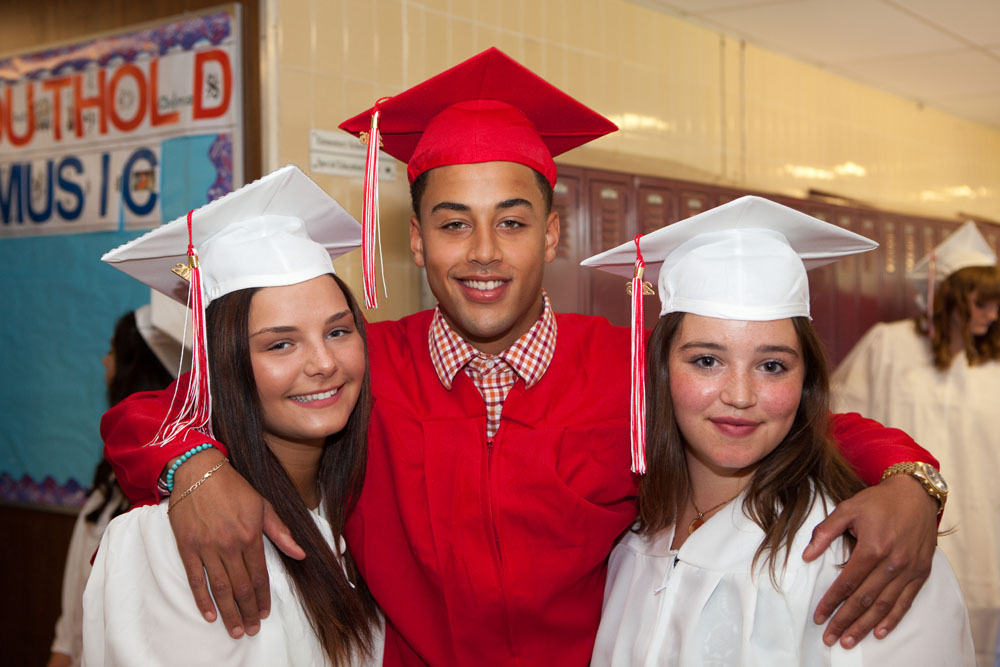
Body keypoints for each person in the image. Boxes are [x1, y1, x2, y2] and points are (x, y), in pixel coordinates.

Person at [101, 49, 945, 665]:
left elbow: (796, 413)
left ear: (552, 234)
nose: (483, 251)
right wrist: (194, 467)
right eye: (452, 222)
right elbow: (164, 409)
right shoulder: (361, 370)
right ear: (416, 241)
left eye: (511, 221)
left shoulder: (628, 373)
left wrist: (913, 479)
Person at [586, 195, 973, 665]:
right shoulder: (630, 533)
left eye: (772, 366)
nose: (741, 395)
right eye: (707, 361)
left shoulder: (861, 553)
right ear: (660, 370)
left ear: (804, 379)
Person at [82, 166, 383, 666]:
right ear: (222, 366)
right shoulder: (192, 538)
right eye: (280, 343)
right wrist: (193, 465)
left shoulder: (348, 503)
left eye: (338, 331)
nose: (324, 363)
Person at [832, 220, 1000, 665]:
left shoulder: (995, 366)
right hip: (901, 522)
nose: (992, 315)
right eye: (983, 303)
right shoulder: (889, 345)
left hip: (984, 533)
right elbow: (843, 427)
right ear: (950, 298)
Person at [47, 306, 179, 667]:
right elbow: (75, 607)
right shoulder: (110, 476)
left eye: (112, 351)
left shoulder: (169, 493)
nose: (105, 362)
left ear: (136, 367)